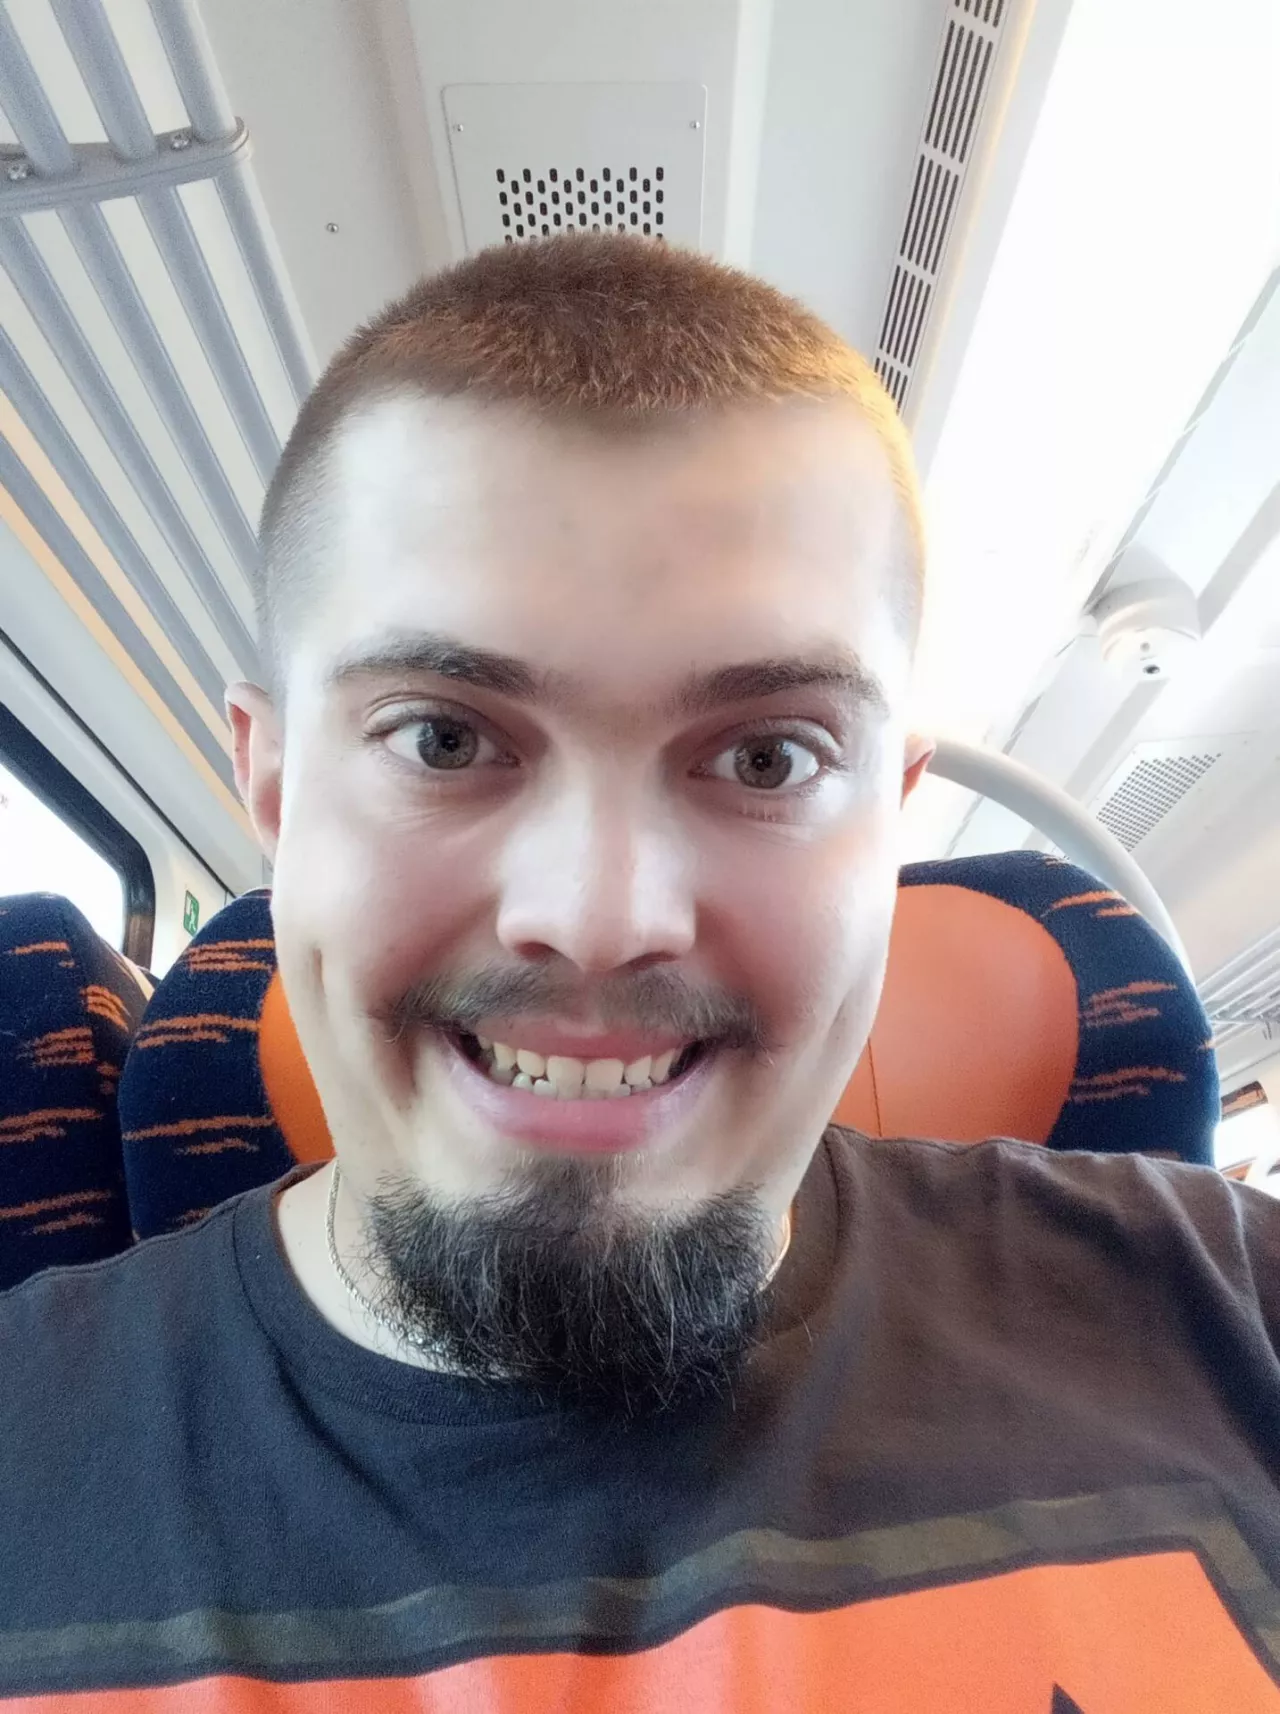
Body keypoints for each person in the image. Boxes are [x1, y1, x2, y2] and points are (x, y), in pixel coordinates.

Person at [3, 235, 1280, 1712]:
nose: (601, 917)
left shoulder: (1234, 1312)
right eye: (443, 739)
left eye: (767, 757)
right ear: (275, 789)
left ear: (890, 819)